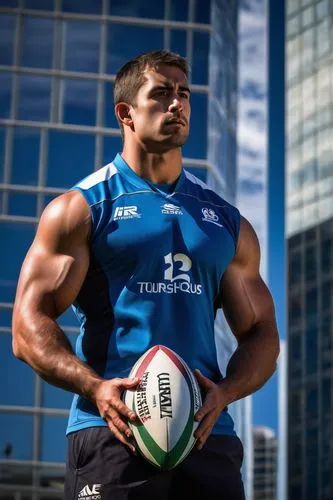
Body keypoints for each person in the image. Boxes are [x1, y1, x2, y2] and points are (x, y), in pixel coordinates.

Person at [12, 50, 280, 499]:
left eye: (183, 93)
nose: (177, 103)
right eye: (161, 94)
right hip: (113, 428)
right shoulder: (81, 209)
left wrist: (226, 393)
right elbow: (27, 327)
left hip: (206, 432)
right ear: (126, 113)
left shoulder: (227, 221)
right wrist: (94, 387)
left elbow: (261, 332)